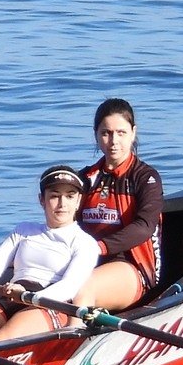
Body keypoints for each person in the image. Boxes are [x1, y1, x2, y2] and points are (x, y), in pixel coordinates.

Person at [0, 167, 101, 346]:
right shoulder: (24, 230)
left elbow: (69, 287)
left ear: (79, 201)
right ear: (42, 200)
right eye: (54, 196)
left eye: (70, 196)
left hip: (50, 303)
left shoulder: (85, 243)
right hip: (11, 295)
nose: (62, 204)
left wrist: (30, 296)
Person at [72, 98, 165, 311]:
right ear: (96, 135)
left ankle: (74, 340)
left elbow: (144, 227)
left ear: (133, 133)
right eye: (106, 133)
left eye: (121, 133)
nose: (113, 141)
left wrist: (99, 248)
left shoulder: (146, 178)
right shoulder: (85, 178)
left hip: (132, 268)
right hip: (86, 261)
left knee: (79, 288)